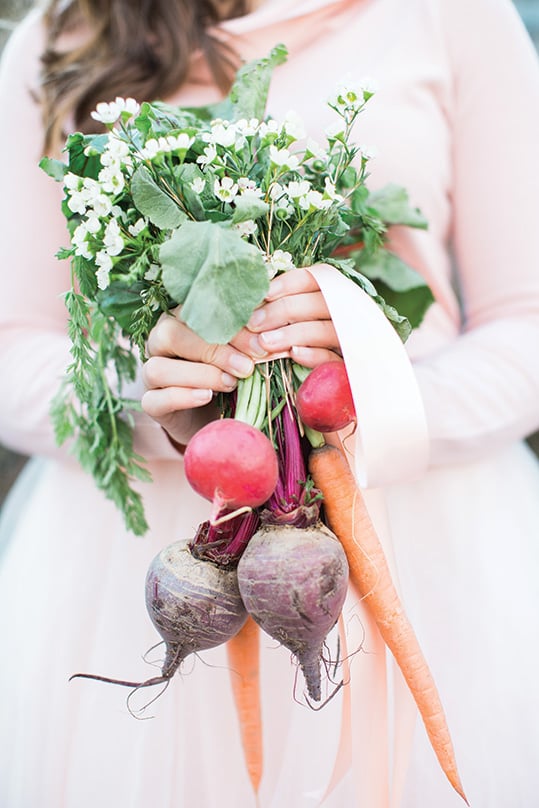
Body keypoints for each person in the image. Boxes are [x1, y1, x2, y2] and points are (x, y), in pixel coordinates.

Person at [1, 0, 539, 806]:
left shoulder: (456, 14)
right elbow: (13, 343)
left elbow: (526, 322)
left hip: (424, 533)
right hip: (133, 549)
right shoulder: (64, 29)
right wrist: (161, 407)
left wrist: (368, 397)